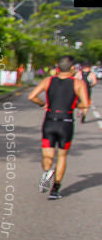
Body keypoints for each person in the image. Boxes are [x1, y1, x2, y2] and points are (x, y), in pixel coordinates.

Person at [28, 55, 90, 199]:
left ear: (58, 68)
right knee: (62, 155)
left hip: (49, 121)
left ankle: (47, 171)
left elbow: (32, 96)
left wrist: (43, 104)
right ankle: (55, 189)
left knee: (47, 154)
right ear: (73, 68)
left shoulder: (48, 80)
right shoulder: (78, 83)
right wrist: (72, 105)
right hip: (66, 122)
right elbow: (85, 104)